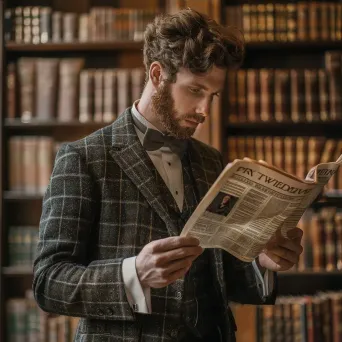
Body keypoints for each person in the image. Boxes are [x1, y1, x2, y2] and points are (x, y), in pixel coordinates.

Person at [33, 8, 303, 342]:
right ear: (158, 74)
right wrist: (134, 274)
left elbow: (221, 277)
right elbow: (48, 282)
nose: (205, 109)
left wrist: (262, 261)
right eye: (195, 90)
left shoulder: (211, 161)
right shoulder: (82, 158)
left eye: (213, 95)